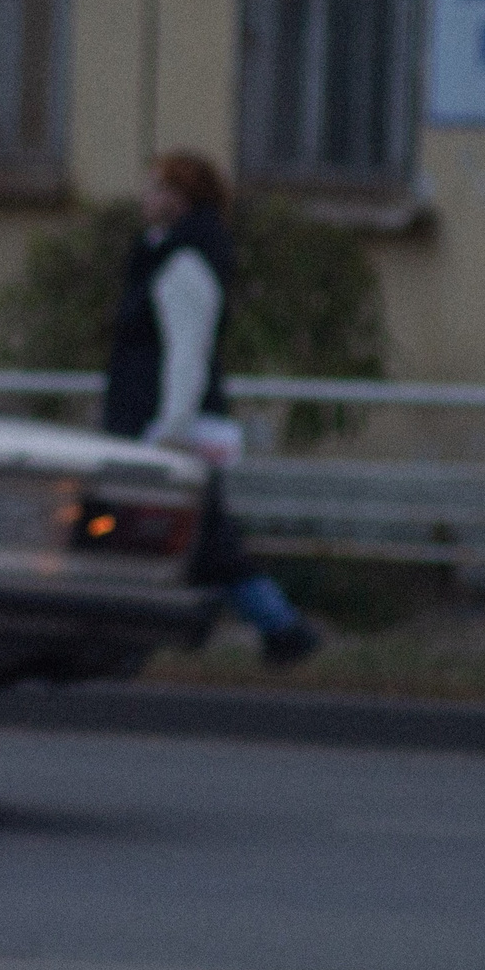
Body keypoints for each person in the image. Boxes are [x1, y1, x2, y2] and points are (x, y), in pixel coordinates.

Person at [103, 150, 322, 667]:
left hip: (167, 425)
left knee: (199, 537)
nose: (146, 197)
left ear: (181, 201)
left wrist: (172, 428)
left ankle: (281, 627)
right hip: (150, 417)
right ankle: (273, 627)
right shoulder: (163, 254)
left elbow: (186, 354)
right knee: (191, 536)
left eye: (157, 188)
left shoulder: (184, 265)